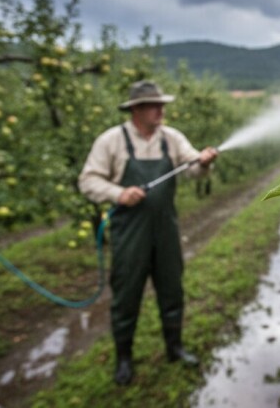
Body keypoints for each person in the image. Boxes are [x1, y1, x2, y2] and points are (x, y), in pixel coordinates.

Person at [78, 80, 218, 385]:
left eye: (161, 104)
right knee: (126, 295)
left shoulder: (172, 138)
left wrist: (204, 163)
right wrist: (119, 193)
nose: (161, 110)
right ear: (136, 110)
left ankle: (174, 348)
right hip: (130, 232)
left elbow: (193, 169)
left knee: (172, 289)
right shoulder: (112, 141)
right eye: (155, 105)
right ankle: (124, 359)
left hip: (166, 229)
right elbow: (88, 180)